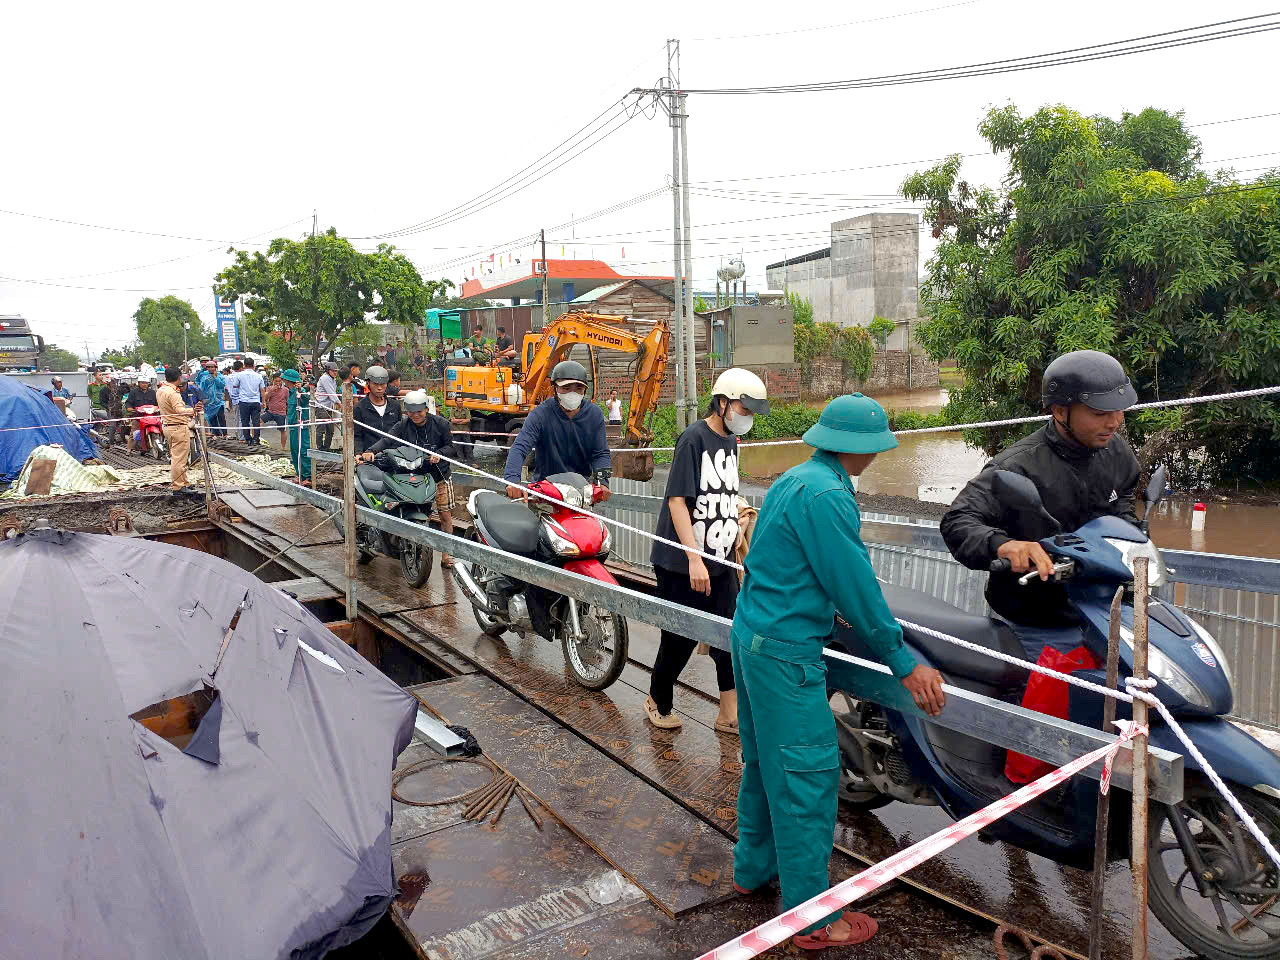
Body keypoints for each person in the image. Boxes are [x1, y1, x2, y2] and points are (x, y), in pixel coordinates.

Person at [730, 393, 945, 951]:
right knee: (808, 778)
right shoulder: (828, 496)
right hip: (785, 654)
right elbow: (855, 586)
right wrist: (904, 661)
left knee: (764, 763)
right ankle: (811, 919)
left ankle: (753, 869)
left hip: (751, 636)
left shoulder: (796, 479)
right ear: (866, 450)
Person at [940, 349, 1141, 660]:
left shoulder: (1116, 452)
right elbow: (959, 520)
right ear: (1061, 412)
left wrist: (1132, 531)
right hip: (1038, 622)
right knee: (1047, 706)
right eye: (1100, 414)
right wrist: (1004, 545)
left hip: (1102, 610)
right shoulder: (1016, 467)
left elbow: (1123, 499)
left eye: (1119, 411)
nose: (1114, 423)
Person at [645, 369, 769, 736]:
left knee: (731, 634)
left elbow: (723, 496)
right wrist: (694, 558)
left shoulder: (732, 443)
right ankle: (657, 699)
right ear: (722, 403)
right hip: (681, 563)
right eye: (743, 409)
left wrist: (733, 533)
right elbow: (677, 503)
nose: (746, 417)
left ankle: (728, 714)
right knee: (679, 637)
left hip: (720, 559)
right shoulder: (693, 440)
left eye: (751, 412)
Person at [358, 389, 458, 568]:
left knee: (444, 514)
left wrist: (439, 454)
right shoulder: (403, 425)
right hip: (414, 474)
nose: (415, 415)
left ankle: (447, 553)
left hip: (438, 474)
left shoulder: (441, 423)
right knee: (402, 506)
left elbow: (451, 447)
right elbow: (387, 440)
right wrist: (371, 451)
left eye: (419, 411)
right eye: (411, 412)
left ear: (426, 409)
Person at [503, 359, 611, 501]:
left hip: (580, 493)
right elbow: (520, 447)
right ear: (555, 388)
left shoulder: (594, 415)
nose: (572, 393)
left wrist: (603, 483)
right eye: (566, 388)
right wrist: (512, 480)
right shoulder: (540, 414)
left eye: (578, 388)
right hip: (545, 491)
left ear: (585, 390)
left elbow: (600, 453)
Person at [158, 367, 201, 492]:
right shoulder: (173, 393)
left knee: (179, 457)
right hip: (177, 427)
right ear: (179, 378)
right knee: (179, 459)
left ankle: (183, 481)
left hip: (168, 426)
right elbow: (179, 410)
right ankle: (178, 485)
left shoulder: (161, 390)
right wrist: (193, 410)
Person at [352, 365, 402, 454]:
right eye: (375, 384)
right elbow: (357, 436)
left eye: (382, 384)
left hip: (394, 455)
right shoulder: (359, 408)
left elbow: (400, 432)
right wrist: (359, 454)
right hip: (370, 457)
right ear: (368, 384)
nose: (379, 388)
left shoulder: (395, 406)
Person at [282, 369, 312, 487]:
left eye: (285, 379)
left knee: (303, 449)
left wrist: (300, 389)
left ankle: (308, 476)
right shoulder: (289, 392)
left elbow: (306, 399)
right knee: (294, 450)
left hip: (301, 425)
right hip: (293, 425)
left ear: (289, 380)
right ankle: (300, 474)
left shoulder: (300, 391)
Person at [124, 375, 158, 453]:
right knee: (134, 431)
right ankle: (129, 449)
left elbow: (157, 403)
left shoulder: (152, 393)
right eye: (143, 383)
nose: (144, 384)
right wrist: (129, 408)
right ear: (139, 383)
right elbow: (128, 402)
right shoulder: (134, 392)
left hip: (151, 416)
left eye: (146, 383)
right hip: (138, 416)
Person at [237, 360, 265, 445]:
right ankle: (256, 439)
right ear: (253, 365)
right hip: (255, 401)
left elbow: (235, 385)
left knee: (245, 421)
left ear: (244, 365)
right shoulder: (259, 376)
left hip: (244, 401)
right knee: (256, 421)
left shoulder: (239, 375)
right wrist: (263, 401)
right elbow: (262, 390)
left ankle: (248, 439)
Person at [196, 359, 227, 435]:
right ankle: (216, 434)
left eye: (212, 367)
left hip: (218, 400)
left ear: (215, 367)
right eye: (208, 367)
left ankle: (225, 433)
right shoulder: (204, 376)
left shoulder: (220, 376)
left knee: (221, 417)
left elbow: (222, 385)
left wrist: (215, 378)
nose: (210, 369)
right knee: (211, 418)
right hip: (209, 401)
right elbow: (202, 387)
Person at [314, 361, 340, 450]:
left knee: (330, 430)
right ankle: (320, 448)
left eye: (336, 371)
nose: (335, 373)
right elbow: (331, 392)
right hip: (321, 406)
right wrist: (338, 402)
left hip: (328, 407)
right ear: (328, 371)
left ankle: (326, 448)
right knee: (321, 429)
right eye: (333, 371)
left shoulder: (332, 379)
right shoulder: (325, 378)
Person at [263, 373, 289, 447]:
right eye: (276, 381)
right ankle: (256, 439)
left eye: (279, 381)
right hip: (270, 412)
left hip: (281, 413)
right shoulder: (269, 388)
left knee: (282, 430)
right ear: (273, 381)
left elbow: (288, 400)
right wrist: (271, 390)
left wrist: (286, 409)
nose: (278, 383)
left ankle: (283, 447)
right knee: (259, 421)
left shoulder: (285, 390)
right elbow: (265, 398)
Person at [225, 359, 245, 432]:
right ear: (240, 368)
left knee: (237, 417)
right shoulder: (241, 376)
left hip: (233, 399)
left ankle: (238, 434)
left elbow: (227, 388)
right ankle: (241, 436)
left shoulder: (228, 377)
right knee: (242, 418)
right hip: (242, 399)